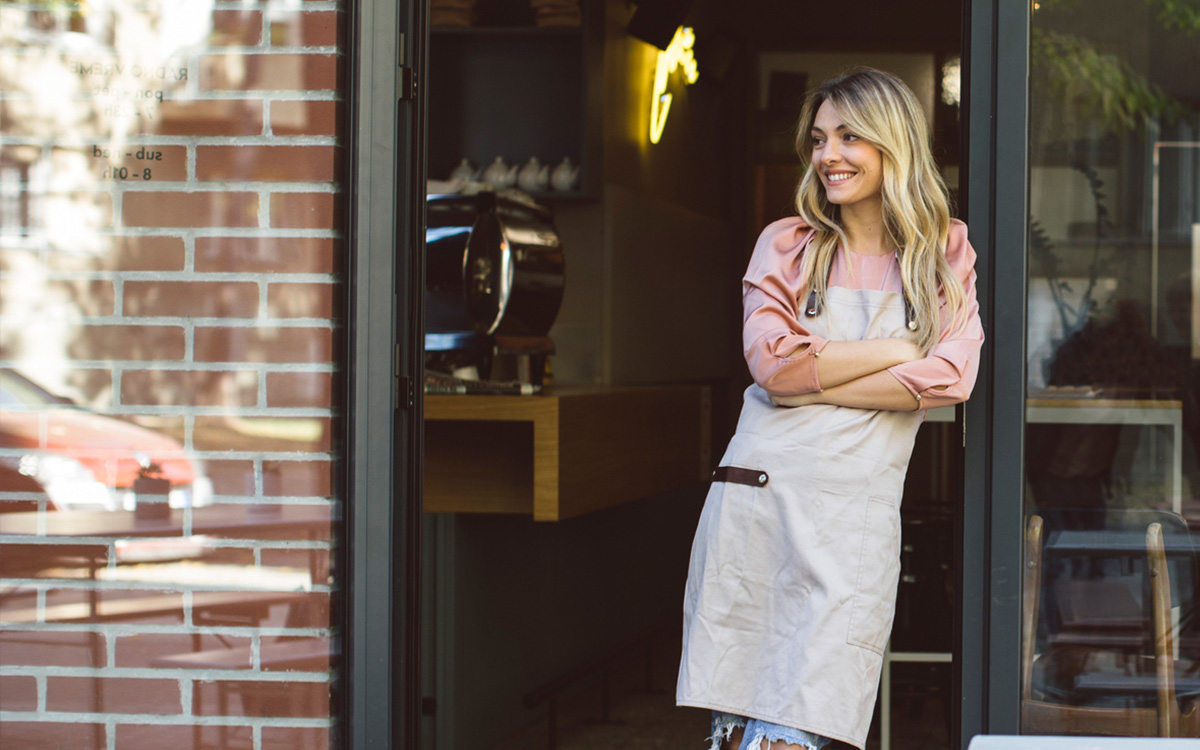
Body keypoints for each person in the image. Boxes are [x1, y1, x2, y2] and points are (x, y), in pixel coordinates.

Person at [676, 67, 984, 750]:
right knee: (742, 728)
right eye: (818, 139)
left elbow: (953, 376)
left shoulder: (942, 257)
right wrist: (900, 346)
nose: (827, 156)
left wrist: (816, 375)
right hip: (764, 504)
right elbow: (774, 367)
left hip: (852, 521)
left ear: (892, 143)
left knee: (802, 725)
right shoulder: (788, 245)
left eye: (849, 136)